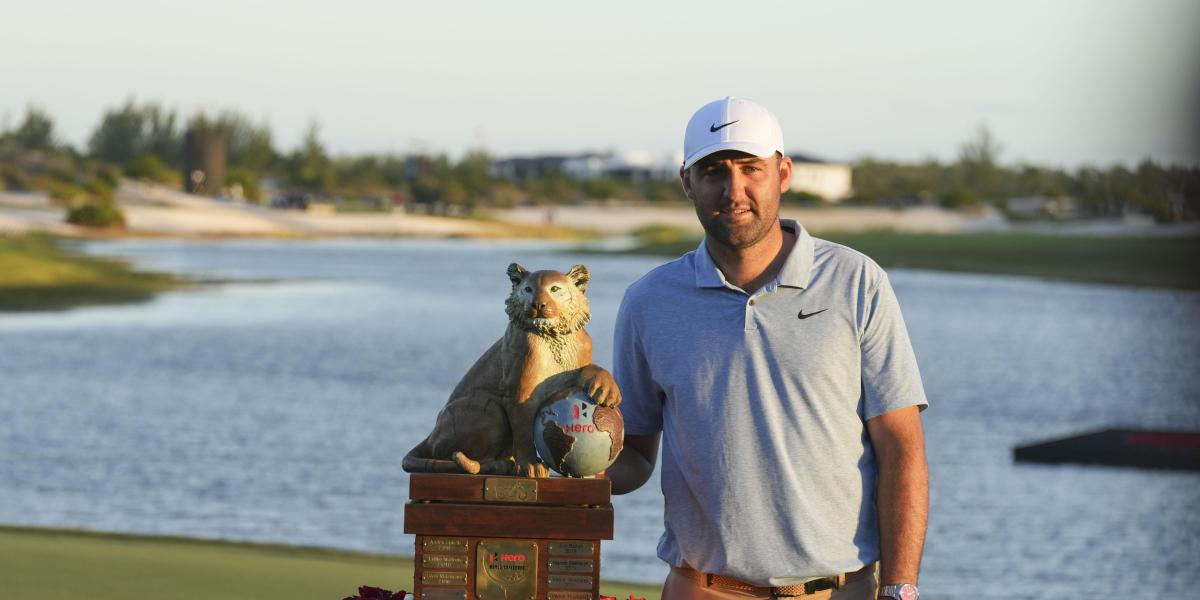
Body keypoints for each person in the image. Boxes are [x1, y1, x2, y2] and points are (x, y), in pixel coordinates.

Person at [606, 97, 929, 600]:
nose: (733, 190)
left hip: (841, 590)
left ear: (783, 173)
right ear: (687, 181)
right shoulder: (648, 301)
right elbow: (633, 455)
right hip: (703, 590)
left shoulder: (857, 282)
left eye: (749, 169)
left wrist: (901, 587)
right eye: (713, 170)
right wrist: (553, 461)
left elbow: (901, 449)